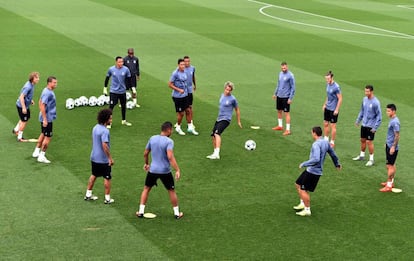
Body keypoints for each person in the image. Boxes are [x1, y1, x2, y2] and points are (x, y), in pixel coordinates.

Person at [136, 121, 184, 219]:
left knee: (146, 189)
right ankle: (176, 213)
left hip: (153, 170)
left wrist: (146, 163)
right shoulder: (169, 142)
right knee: (171, 190)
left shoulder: (152, 138)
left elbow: (145, 153)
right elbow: (170, 157)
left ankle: (141, 211)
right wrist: (177, 169)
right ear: (169, 130)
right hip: (165, 171)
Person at [293, 126, 341, 217]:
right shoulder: (326, 142)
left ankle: (307, 210)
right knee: (298, 184)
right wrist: (337, 163)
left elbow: (316, 159)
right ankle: (303, 203)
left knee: (303, 189)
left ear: (314, 133)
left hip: (313, 171)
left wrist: (304, 163)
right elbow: (332, 154)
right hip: (311, 170)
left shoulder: (316, 144)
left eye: (312, 132)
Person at [84, 108, 115, 203]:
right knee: (107, 177)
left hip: (94, 157)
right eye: (110, 118)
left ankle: (88, 194)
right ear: (106, 119)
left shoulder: (95, 127)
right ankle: (107, 198)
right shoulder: (105, 131)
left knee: (94, 175)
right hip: (103, 159)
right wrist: (109, 158)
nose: (111, 120)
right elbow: (104, 145)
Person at [206, 81, 242, 160]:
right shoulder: (222, 95)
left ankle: (217, 153)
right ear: (224, 88)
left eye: (229, 90)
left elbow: (237, 110)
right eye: (227, 89)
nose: (228, 91)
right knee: (213, 136)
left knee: (217, 134)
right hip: (219, 118)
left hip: (226, 119)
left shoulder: (233, 99)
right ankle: (215, 153)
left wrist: (238, 121)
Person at [352, 85, 382, 166]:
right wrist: (358, 120)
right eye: (365, 91)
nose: (366, 93)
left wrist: (375, 127)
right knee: (362, 140)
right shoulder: (364, 99)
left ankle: (371, 159)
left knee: (369, 142)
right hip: (364, 124)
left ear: (372, 92)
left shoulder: (376, 102)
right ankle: (362, 156)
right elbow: (362, 110)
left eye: (367, 91)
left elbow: (379, 116)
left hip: (371, 126)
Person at [32, 76, 58, 164]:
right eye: (54, 83)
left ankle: (36, 151)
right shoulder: (48, 93)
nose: (56, 84)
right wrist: (45, 119)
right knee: (48, 137)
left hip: (45, 117)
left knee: (43, 134)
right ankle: (42, 156)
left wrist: (42, 115)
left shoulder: (45, 90)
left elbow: (40, 101)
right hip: (48, 118)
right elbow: (42, 104)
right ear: (49, 83)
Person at [169, 58, 197, 135]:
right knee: (181, 113)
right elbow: (170, 84)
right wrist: (178, 90)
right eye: (181, 64)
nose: (183, 66)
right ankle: (178, 126)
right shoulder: (175, 73)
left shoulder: (185, 72)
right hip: (177, 97)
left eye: (184, 64)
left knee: (188, 110)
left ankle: (190, 127)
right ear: (178, 65)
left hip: (185, 95)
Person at [103, 56, 132, 128]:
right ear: (116, 62)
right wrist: (105, 88)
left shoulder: (126, 69)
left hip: (122, 91)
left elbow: (129, 79)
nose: (121, 63)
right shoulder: (111, 69)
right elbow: (107, 78)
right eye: (119, 62)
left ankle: (124, 120)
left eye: (122, 62)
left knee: (123, 106)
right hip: (114, 91)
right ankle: (108, 123)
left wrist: (130, 88)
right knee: (111, 107)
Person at [13, 72, 40, 142]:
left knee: (25, 119)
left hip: (25, 105)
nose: (38, 79)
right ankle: (20, 137)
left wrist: (30, 100)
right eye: (36, 78)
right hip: (22, 106)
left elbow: (25, 95)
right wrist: (24, 107)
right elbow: (21, 97)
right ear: (32, 79)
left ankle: (16, 130)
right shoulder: (28, 86)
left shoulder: (31, 84)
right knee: (24, 121)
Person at [379, 104, 400, 192]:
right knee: (391, 164)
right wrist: (387, 143)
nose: (387, 113)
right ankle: (391, 182)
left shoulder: (395, 122)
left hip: (392, 147)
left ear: (393, 111)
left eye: (388, 111)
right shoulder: (392, 120)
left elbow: (397, 135)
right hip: (389, 145)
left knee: (389, 166)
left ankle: (388, 185)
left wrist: (393, 147)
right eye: (386, 111)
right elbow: (391, 134)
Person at [272, 61, 295, 136]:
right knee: (279, 111)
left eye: (284, 68)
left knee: (286, 113)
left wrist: (290, 98)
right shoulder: (280, 74)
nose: (283, 69)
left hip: (286, 97)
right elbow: (278, 84)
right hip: (279, 96)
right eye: (282, 68)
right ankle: (280, 126)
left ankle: (288, 130)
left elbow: (293, 88)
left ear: (287, 67)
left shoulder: (290, 75)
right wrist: (275, 93)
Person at [322, 71, 342, 147]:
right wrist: (325, 104)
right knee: (326, 123)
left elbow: (340, 98)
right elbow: (328, 96)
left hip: (333, 109)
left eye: (328, 78)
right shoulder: (328, 84)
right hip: (328, 107)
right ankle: (326, 139)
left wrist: (337, 109)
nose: (327, 80)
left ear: (332, 78)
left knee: (333, 125)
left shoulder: (336, 87)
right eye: (326, 79)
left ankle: (332, 142)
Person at [183, 55, 198, 135]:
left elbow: (193, 77)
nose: (187, 63)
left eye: (188, 61)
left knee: (190, 106)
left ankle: (191, 122)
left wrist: (195, 85)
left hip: (189, 90)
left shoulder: (192, 68)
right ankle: (179, 123)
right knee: (183, 108)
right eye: (185, 61)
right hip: (183, 91)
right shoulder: (181, 69)